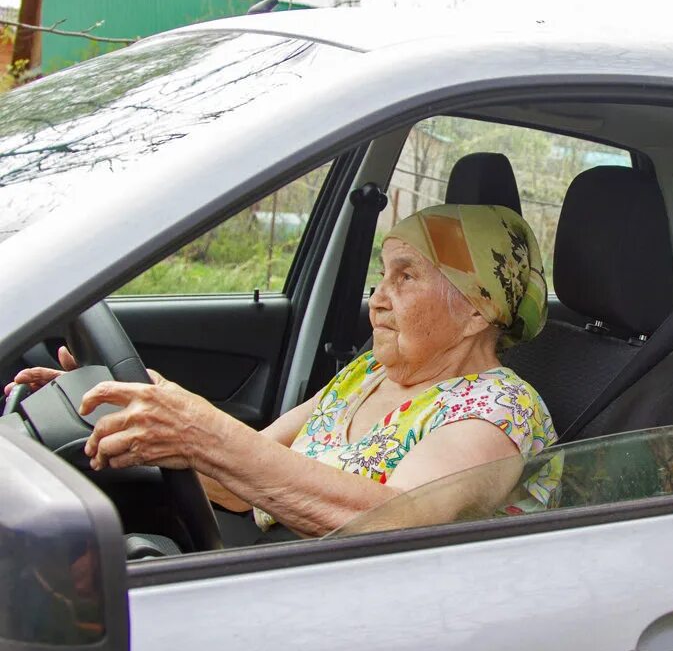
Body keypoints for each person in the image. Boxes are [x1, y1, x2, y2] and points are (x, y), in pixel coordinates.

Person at [5, 204, 558, 538]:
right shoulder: (367, 374)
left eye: (406, 277)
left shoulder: (498, 410)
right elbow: (239, 483)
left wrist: (202, 431)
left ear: (478, 309)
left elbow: (397, 522)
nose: (378, 298)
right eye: (382, 274)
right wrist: (134, 410)